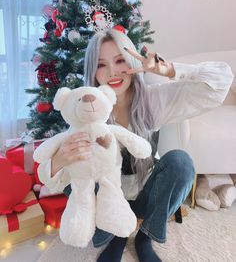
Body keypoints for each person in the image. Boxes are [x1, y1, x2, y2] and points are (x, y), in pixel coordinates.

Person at [37, 29, 234, 262]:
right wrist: (62, 160)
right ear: (93, 71)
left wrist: (169, 69)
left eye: (120, 60)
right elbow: (48, 177)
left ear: (131, 60)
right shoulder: (84, 109)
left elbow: (221, 83)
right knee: (75, 174)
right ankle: (113, 236)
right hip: (106, 200)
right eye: (101, 65)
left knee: (181, 163)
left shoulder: (153, 99)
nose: (112, 72)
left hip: (146, 196)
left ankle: (145, 236)